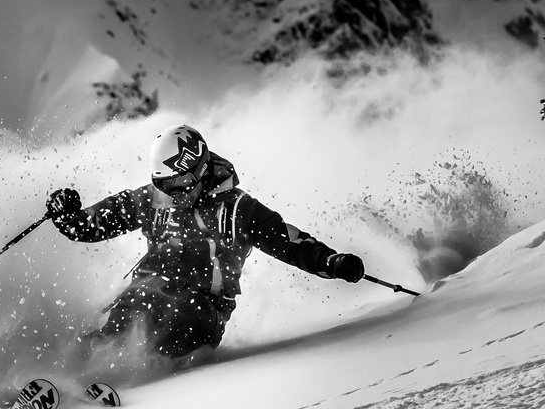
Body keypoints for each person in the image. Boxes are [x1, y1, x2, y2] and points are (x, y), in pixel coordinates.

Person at [46, 124, 365, 358]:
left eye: (181, 184)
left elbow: (288, 241)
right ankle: (82, 365)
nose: (175, 194)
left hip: (203, 308)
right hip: (150, 292)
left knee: (177, 312)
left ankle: (130, 368)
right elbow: (99, 222)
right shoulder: (154, 200)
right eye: (166, 186)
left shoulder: (238, 209)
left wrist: (331, 262)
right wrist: (69, 218)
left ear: (200, 170)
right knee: (136, 301)